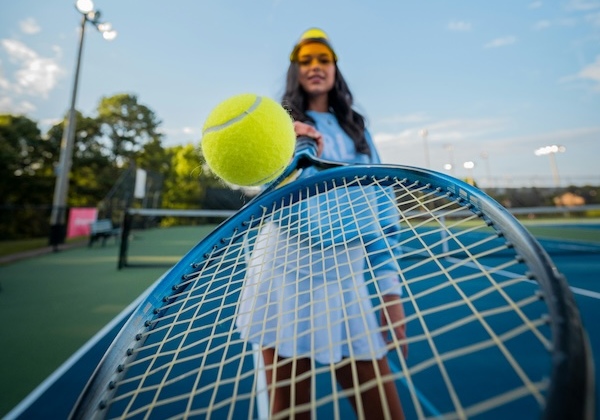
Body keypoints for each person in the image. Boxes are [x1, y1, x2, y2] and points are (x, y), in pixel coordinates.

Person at [236, 28, 407, 419]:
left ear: (335, 69)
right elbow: (258, 189)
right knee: (291, 411)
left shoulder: (358, 130)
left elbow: (381, 213)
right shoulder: (276, 124)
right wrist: (283, 147)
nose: (315, 67)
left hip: (345, 273)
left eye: (323, 59)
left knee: (383, 409)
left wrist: (390, 293)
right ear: (295, 70)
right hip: (285, 270)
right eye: (306, 60)